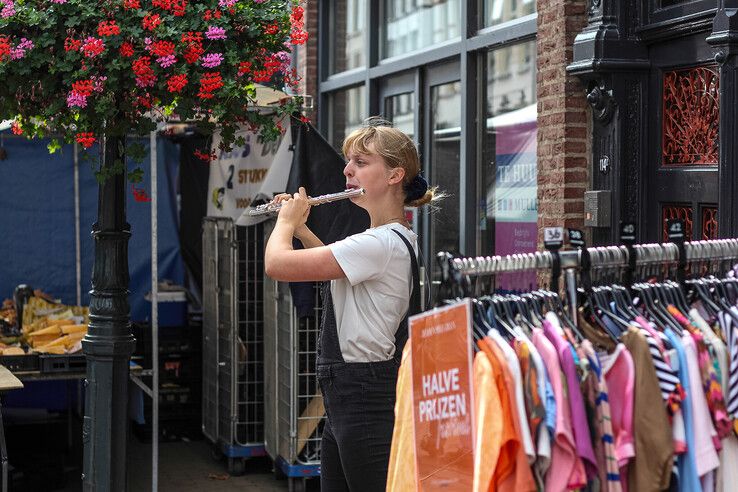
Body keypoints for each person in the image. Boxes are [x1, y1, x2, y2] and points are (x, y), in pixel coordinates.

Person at [264, 118, 437, 491]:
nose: (347, 170)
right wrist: (300, 228)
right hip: (352, 392)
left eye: (361, 162)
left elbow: (276, 265)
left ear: (394, 175)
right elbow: (334, 271)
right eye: (348, 161)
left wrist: (283, 222)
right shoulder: (382, 238)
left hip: (365, 394)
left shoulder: (380, 243)